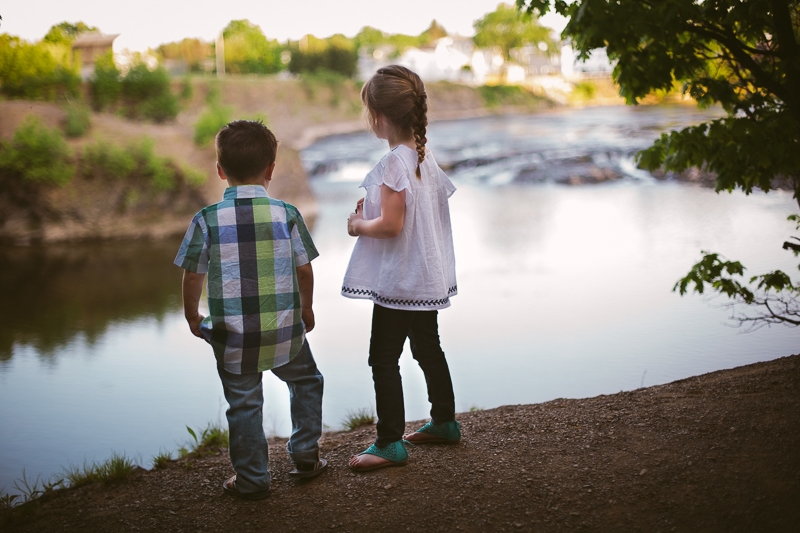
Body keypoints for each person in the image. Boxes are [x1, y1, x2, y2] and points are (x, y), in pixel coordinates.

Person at [175, 120, 327, 500]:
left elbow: (193, 275)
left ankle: (253, 479)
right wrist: (306, 309)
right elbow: (304, 269)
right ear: (271, 170)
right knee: (306, 382)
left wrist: (193, 316)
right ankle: (306, 456)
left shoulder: (206, 220)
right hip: (284, 330)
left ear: (220, 170)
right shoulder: (288, 214)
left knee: (244, 404)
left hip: (232, 336)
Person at [343, 65, 460, 472]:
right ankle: (444, 421)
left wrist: (359, 225)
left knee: (383, 358)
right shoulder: (425, 161)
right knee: (428, 349)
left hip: (401, 282)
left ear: (378, 117)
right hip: (425, 279)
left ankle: (389, 441)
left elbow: (391, 227)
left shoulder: (394, 164)